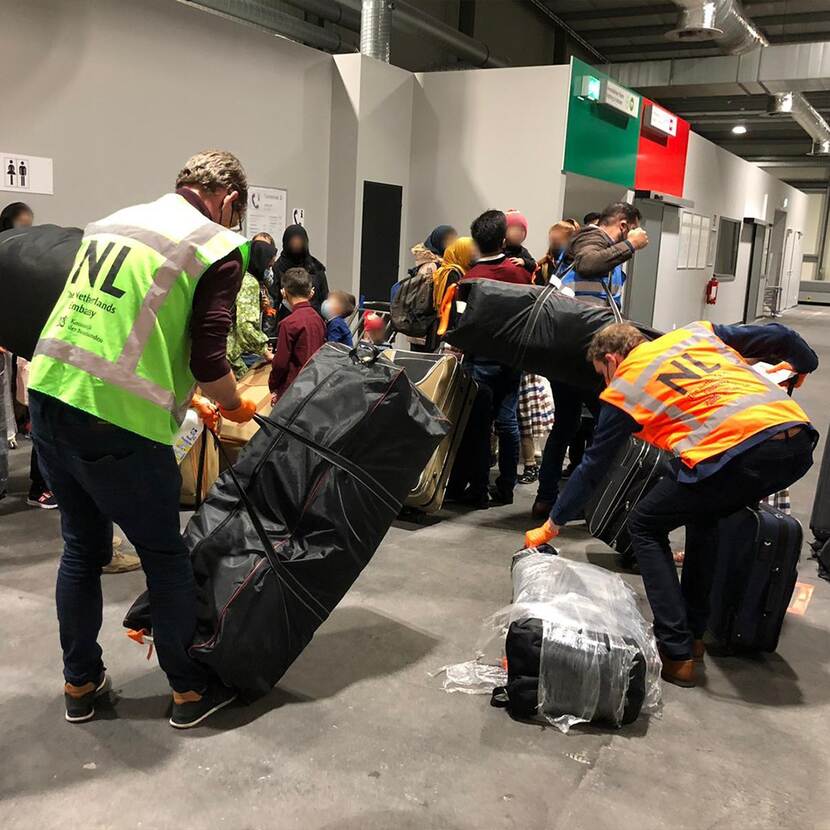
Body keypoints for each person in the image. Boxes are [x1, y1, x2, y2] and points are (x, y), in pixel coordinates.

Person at [28, 150, 259, 728]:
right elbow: (210, 358)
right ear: (230, 200)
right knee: (164, 557)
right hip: (117, 421)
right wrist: (234, 404)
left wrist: (186, 395)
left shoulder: (113, 221)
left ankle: (80, 683)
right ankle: (187, 692)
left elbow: (122, 324)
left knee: (81, 549)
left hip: (51, 395)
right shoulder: (215, 245)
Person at [525, 320, 818, 686]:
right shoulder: (694, 334)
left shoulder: (625, 386)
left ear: (612, 360)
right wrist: (804, 364)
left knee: (645, 524)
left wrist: (552, 524)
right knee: (704, 515)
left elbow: (592, 467)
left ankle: (675, 650)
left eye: (602, 374)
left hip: (738, 454)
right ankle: (693, 637)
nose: (605, 383)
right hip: (796, 442)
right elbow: (782, 336)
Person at [459, 210, 532, 507]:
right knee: (508, 422)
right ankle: (506, 488)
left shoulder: (470, 278)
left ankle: (478, 490)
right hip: (511, 359)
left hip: (479, 360)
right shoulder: (520, 275)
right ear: (503, 240)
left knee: (479, 428)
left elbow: (461, 324)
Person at [562, 202, 648, 308]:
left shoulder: (609, 249)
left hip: (587, 314)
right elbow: (587, 263)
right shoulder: (591, 236)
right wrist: (631, 244)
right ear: (623, 226)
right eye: (633, 229)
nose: (635, 234)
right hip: (573, 313)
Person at [269, 267, 326, 400]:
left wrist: (273, 385)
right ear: (310, 293)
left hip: (293, 390)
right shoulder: (318, 319)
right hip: (315, 385)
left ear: (284, 292)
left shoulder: (288, 323)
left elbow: (280, 363)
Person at [226, 239, 276, 378]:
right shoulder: (249, 283)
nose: (269, 271)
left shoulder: (238, 275)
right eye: (269, 266)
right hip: (233, 354)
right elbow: (245, 326)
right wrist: (266, 352)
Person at [407, 224, 458, 352]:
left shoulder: (431, 263)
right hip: (427, 329)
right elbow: (424, 301)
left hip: (422, 327)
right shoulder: (432, 267)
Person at [274, 224, 329, 317]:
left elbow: (324, 297)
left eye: (299, 241)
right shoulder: (278, 268)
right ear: (286, 243)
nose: (296, 245)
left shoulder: (315, 267)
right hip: (286, 319)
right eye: (293, 242)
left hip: (314, 318)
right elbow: (274, 301)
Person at [535, 219, 579, 285]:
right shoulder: (544, 266)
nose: (555, 244)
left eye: (559, 240)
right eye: (552, 240)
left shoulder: (578, 265)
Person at [503, 210, 535, 274]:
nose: (518, 233)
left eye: (522, 230)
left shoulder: (522, 251)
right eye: (514, 229)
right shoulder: (498, 250)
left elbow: (534, 264)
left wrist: (524, 261)